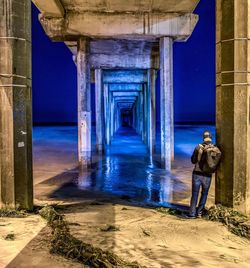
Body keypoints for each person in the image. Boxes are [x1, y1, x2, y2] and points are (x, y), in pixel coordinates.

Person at [186, 131, 219, 219]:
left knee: (195, 194)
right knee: (204, 194)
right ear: (211, 138)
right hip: (207, 175)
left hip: (197, 173)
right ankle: (199, 212)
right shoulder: (215, 149)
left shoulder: (198, 147)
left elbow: (193, 161)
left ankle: (192, 214)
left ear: (203, 138)